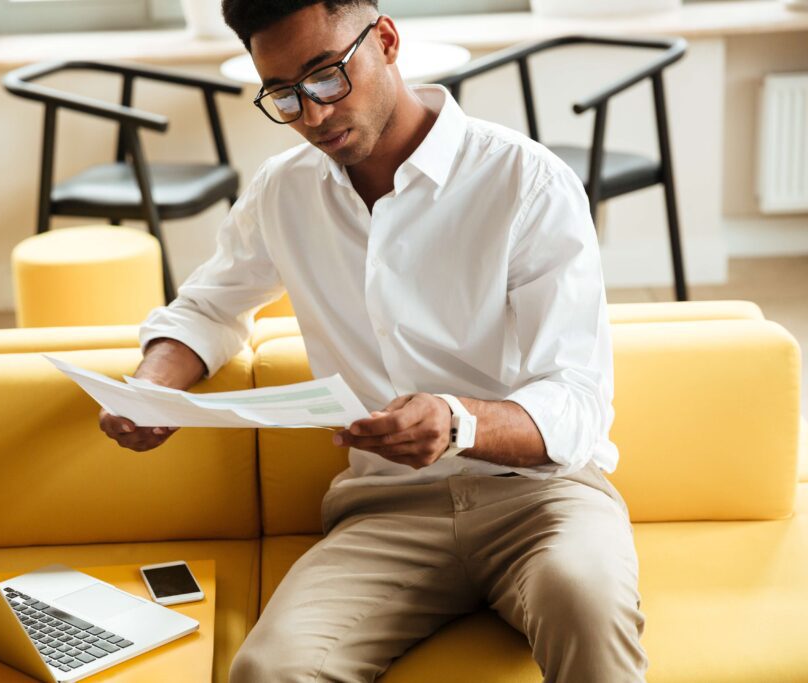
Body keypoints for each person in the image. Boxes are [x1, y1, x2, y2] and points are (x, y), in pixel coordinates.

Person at [98, 1, 648, 680]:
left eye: (325, 76)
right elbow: (208, 308)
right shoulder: (283, 194)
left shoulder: (524, 182)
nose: (314, 115)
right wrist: (154, 385)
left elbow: (579, 400)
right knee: (267, 671)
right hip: (387, 513)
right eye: (283, 95)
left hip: (541, 498)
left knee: (584, 600)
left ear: (386, 40)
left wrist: (457, 421)